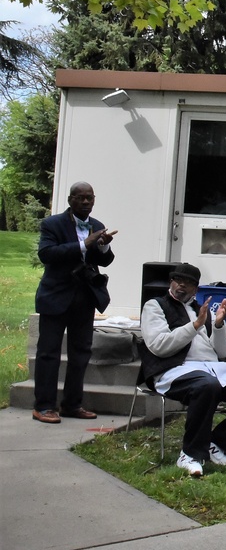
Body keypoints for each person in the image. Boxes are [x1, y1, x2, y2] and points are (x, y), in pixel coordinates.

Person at [139, 263, 226, 477]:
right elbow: (159, 346)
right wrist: (194, 326)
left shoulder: (201, 310)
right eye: (178, 281)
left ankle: (219, 444)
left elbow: (224, 351)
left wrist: (219, 324)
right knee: (206, 385)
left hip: (213, 368)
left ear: (196, 288)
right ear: (170, 282)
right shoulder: (155, 306)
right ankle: (190, 454)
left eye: (189, 283)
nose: (182, 286)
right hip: (174, 369)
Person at [32, 182, 117, 424]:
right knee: (48, 353)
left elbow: (106, 261)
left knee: (80, 353)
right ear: (70, 200)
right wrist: (83, 244)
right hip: (56, 296)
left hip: (85, 297)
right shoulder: (52, 224)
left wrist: (104, 245)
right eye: (81, 198)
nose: (86, 202)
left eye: (90, 198)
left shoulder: (98, 226)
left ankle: (72, 404)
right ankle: (44, 406)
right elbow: (46, 254)